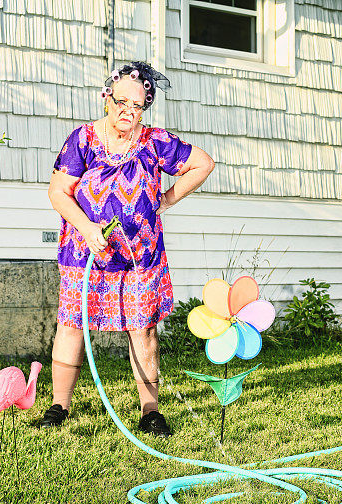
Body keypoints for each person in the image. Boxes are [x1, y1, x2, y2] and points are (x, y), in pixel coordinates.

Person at [41, 61, 215, 437]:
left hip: (140, 258)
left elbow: (202, 163)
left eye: (137, 106)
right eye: (121, 102)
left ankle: (150, 411)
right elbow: (58, 191)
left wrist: (166, 198)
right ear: (107, 99)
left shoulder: (154, 141)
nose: (127, 111)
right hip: (85, 254)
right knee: (71, 326)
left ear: (144, 108)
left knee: (143, 330)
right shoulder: (83, 139)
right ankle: (58, 407)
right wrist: (86, 228)